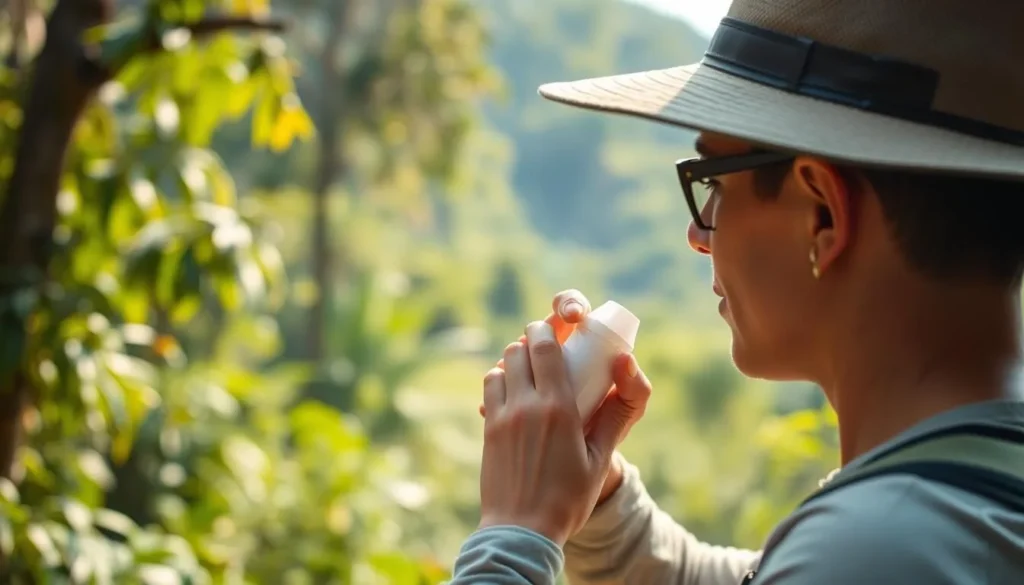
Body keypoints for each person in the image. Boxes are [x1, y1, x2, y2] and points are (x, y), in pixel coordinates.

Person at [448, 0, 1024, 583]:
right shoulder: (961, 505)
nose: (698, 235)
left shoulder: (879, 547)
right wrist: (598, 496)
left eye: (714, 183)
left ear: (821, 213)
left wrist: (516, 532)